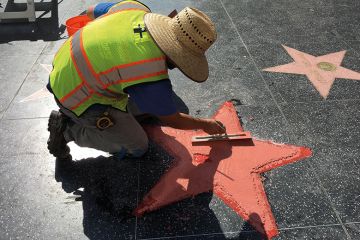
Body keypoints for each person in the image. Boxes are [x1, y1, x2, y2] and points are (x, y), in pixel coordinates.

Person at [47, 0, 226, 161]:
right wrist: (205, 124)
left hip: (64, 62)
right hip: (75, 96)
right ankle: (67, 130)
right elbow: (172, 119)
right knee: (138, 146)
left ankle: (114, 114)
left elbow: (92, 10)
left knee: (160, 103)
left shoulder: (135, 8)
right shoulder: (148, 69)